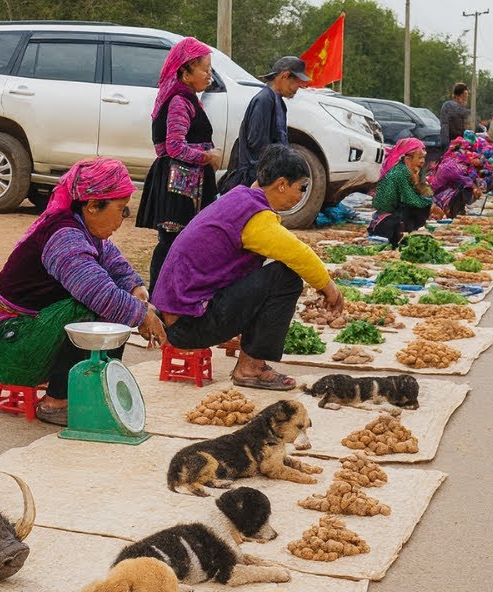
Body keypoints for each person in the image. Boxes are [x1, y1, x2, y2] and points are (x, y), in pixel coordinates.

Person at [0, 157, 166, 425]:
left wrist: (137, 290)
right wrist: (141, 314)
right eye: (121, 209)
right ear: (93, 206)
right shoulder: (64, 236)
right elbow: (99, 293)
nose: (123, 218)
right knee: (93, 309)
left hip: (31, 332)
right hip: (12, 344)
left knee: (110, 304)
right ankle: (57, 401)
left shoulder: (85, 230)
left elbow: (114, 263)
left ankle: (89, 391)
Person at [152, 145, 344, 391]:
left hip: (180, 316)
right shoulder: (254, 216)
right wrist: (330, 288)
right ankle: (251, 367)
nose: (301, 196)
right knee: (286, 278)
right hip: (187, 327)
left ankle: (250, 359)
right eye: (302, 188)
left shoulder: (240, 197)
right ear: (282, 184)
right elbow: (299, 254)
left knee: (268, 270)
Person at [137, 37, 223, 294]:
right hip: (179, 184)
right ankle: (159, 299)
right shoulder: (178, 101)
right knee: (171, 242)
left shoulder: (188, 99)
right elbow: (174, 147)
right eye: (204, 69)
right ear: (185, 72)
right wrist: (206, 156)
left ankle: (174, 295)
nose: (209, 75)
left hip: (186, 182)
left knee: (182, 243)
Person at [218, 56, 310, 194]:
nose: (299, 87)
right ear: (285, 76)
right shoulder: (264, 100)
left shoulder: (278, 102)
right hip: (252, 180)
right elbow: (257, 143)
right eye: (297, 82)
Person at [368, 138, 439, 248]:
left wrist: (417, 183)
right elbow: (410, 198)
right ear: (407, 159)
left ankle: (407, 231)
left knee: (423, 207)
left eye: (423, 158)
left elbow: (428, 193)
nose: (422, 161)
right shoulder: (399, 173)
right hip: (387, 216)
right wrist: (432, 206)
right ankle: (398, 235)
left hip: (399, 210)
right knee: (421, 207)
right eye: (419, 158)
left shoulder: (416, 170)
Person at [440, 83, 471, 149]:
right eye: (464, 95)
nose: (466, 99)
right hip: (452, 143)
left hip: (455, 142)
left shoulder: (447, 105)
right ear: (458, 95)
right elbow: (446, 125)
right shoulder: (450, 106)